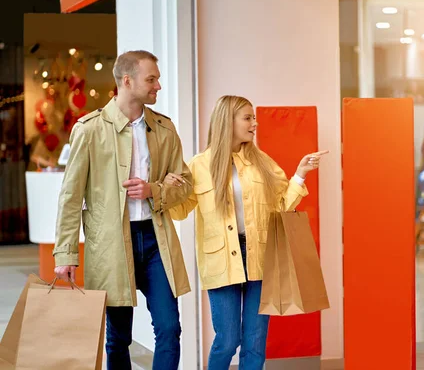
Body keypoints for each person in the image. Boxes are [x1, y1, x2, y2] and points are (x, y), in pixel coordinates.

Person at [164, 95, 328, 370]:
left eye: (254, 117)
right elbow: (180, 211)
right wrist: (168, 188)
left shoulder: (261, 161)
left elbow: (280, 205)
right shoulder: (199, 165)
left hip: (260, 256)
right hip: (220, 260)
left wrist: (300, 174)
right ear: (228, 121)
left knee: (254, 340)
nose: (255, 123)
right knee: (228, 340)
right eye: (248, 118)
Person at [53, 50, 193, 370]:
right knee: (118, 339)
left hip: (156, 242)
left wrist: (154, 189)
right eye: (151, 79)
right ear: (127, 82)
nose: (158, 85)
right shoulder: (89, 130)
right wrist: (65, 255)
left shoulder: (165, 130)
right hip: (111, 245)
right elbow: (70, 197)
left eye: (157, 78)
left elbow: (185, 184)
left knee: (170, 329)